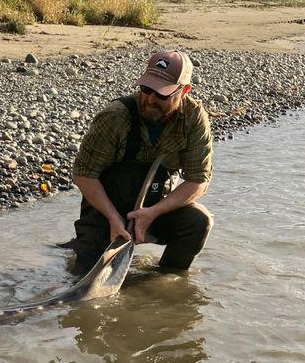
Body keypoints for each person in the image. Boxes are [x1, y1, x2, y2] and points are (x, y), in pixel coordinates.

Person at [70, 49, 213, 275]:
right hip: (107, 210)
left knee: (199, 221)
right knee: (84, 280)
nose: (151, 100)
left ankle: (164, 280)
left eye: (162, 94)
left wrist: (153, 213)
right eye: (146, 89)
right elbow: (84, 173)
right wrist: (113, 219)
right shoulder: (116, 116)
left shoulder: (194, 118)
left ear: (184, 91)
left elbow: (198, 180)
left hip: (155, 207)